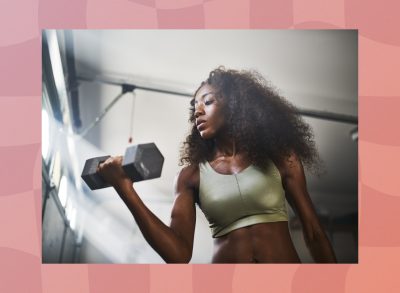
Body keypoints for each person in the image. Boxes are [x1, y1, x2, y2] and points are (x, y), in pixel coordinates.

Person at [97, 67, 337, 263]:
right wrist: (124, 189)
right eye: (194, 107)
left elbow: (314, 232)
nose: (197, 111)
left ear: (235, 106)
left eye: (208, 102)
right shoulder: (190, 176)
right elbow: (177, 255)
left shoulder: (281, 157)